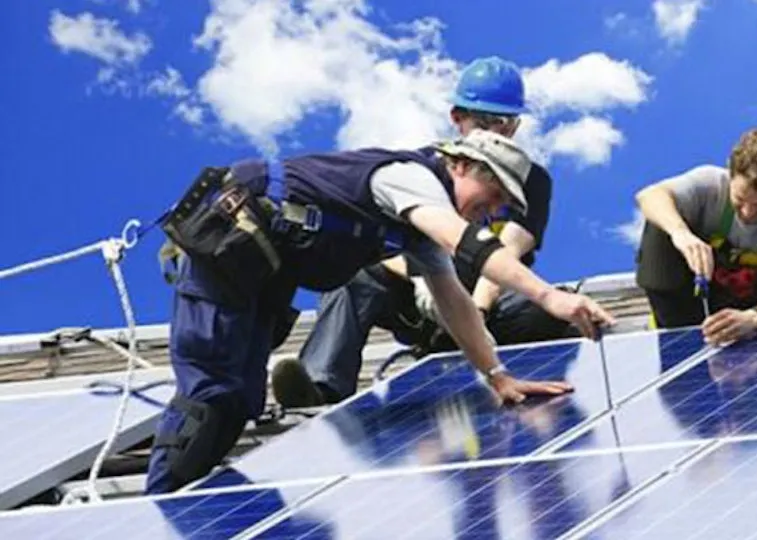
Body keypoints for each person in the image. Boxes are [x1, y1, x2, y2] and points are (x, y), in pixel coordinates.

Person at [145, 127, 615, 494]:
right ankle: (159, 510)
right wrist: (551, 297)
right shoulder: (409, 179)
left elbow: (453, 300)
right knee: (212, 396)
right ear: (461, 165)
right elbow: (462, 240)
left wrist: (497, 375)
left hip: (258, 277)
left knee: (241, 401)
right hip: (225, 251)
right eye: (491, 199)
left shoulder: (417, 231)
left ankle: (188, 510)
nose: (489, 214)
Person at [271, 56, 574, 408]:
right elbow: (393, 240)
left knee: (550, 308)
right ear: (457, 119)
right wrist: (421, 280)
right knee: (355, 277)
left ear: (515, 126)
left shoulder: (528, 180)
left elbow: (508, 250)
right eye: (483, 121)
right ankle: (320, 388)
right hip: (423, 297)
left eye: (502, 122)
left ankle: (503, 366)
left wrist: (476, 310)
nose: (494, 131)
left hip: (488, 303)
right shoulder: (426, 168)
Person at [634, 127, 757, 346]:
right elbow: (649, 195)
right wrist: (681, 234)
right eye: (740, 199)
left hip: (751, 321)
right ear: (730, 173)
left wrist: (755, 318)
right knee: (660, 223)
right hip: (691, 309)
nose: (747, 213)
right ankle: (677, 336)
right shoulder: (709, 184)